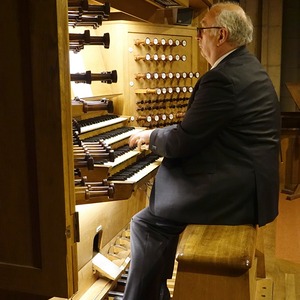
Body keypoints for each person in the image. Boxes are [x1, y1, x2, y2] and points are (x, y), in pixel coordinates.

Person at [123, 2, 281, 299]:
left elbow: (184, 141)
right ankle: (156, 290)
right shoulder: (246, 66)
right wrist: (155, 134)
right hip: (249, 178)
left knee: (147, 222)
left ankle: (142, 296)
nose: (197, 37)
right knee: (164, 199)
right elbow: (201, 131)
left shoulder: (222, 78)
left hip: (237, 190)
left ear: (220, 35)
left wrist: (150, 136)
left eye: (201, 29)